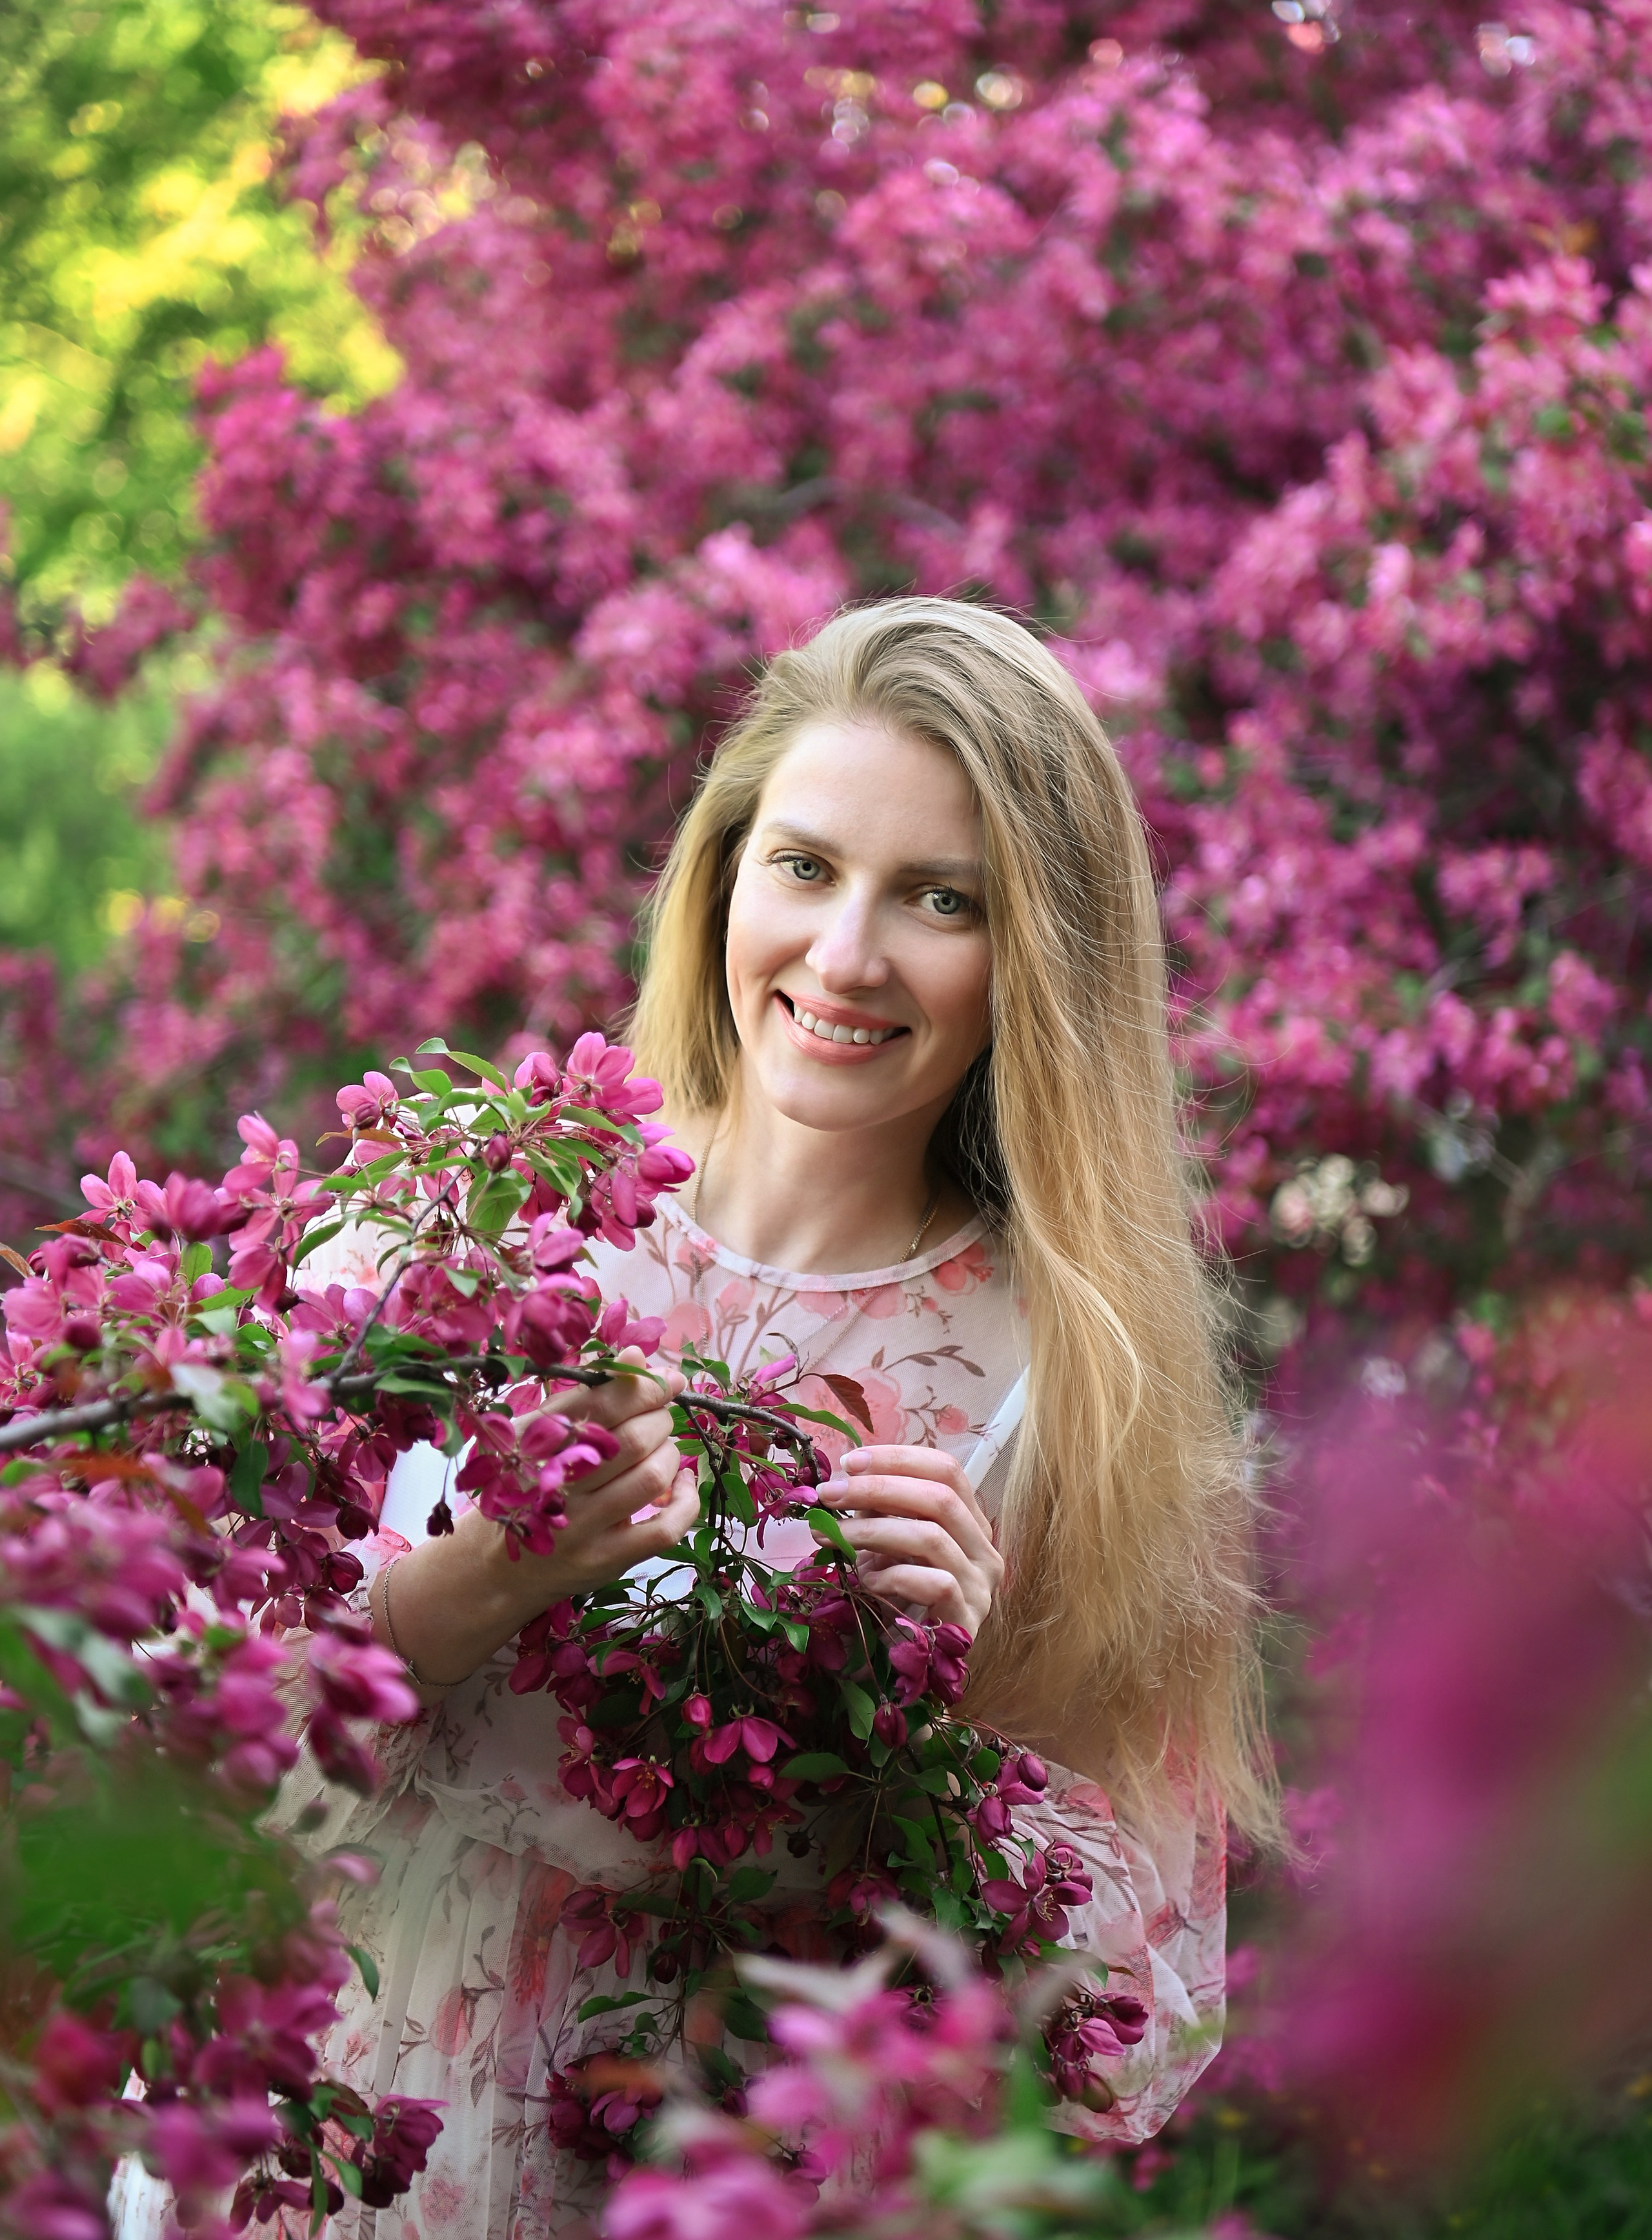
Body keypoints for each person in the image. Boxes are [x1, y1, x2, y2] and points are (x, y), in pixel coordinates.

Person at [121, 598, 1275, 2240]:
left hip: (714, 2180)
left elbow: (1111, 2015)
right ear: (723, 870)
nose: (848, 953)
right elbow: (181, 1754)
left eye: (941, 899)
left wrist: (966, 1709)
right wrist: (463, 1593)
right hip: (357, 2137)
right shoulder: (481, 1224)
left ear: (1036, 953)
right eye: (804, 865)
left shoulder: (1066, 1371)